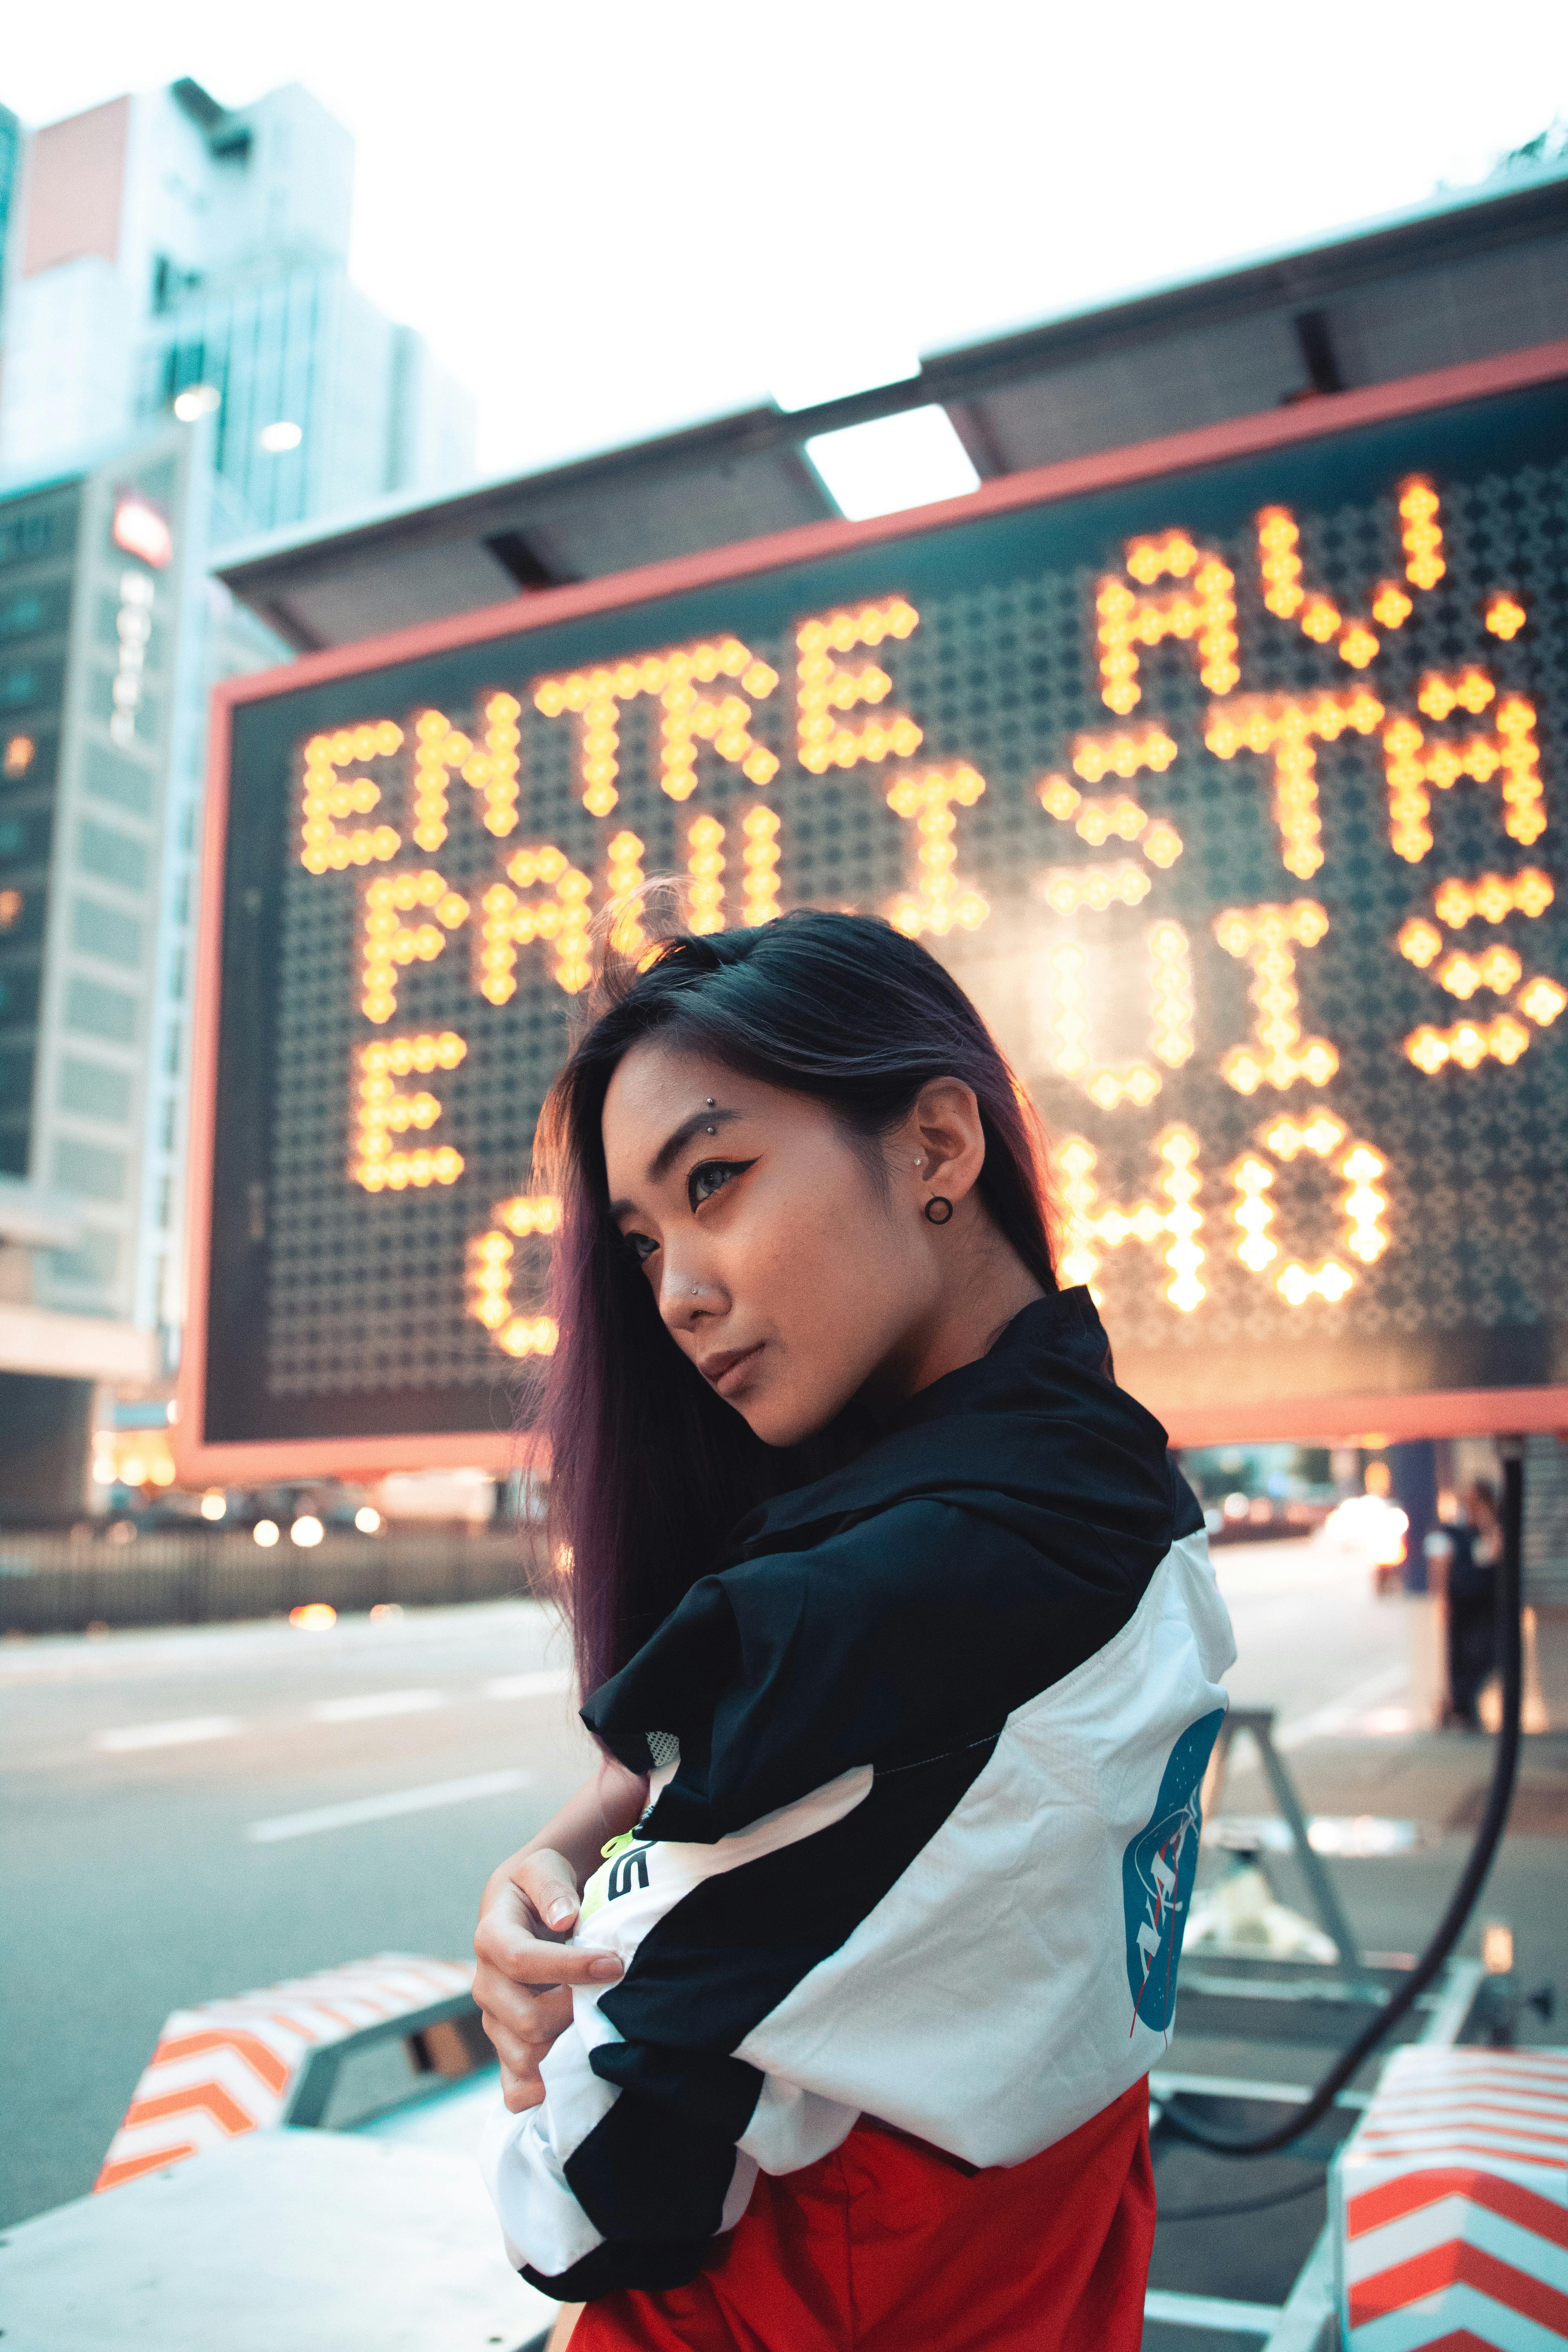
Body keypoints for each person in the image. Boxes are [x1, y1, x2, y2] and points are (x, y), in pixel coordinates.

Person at [472, 908, 1235, 2351]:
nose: (677, 1292)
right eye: (641, 1240)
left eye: (717, 1178)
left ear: (939, 1145)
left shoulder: (886, 1599)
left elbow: (592, 2197)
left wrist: (550, 2044)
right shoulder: (1116, 1486)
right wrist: (576, 1844)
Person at [1446, 1479, 1502, 1728]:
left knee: (1488, 1655)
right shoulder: (1456, 1531)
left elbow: (1496, 1553)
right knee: (1462, 1658)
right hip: (1463, 1605)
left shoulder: (1490, 1530)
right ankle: (1462, 1709)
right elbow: (1443, 1567)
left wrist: (1488, 1521)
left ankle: (1462, 1705)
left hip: (1486, 1605)